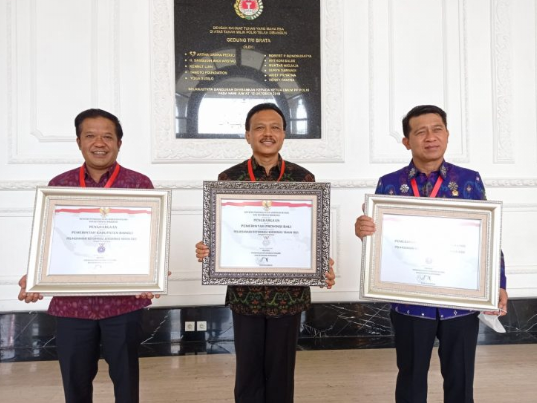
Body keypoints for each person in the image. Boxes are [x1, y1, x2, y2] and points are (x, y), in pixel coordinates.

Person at [355, 105, 508, 403]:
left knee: (461, 379)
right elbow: (382, 240)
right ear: (406, 141)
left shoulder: (469, 180)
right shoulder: (389, 184)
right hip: (410, 303)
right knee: (411, 378)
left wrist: (498, 282)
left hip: (460, 302)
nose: (430, 137)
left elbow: (489, 236)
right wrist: (364, 230)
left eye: (437, 129)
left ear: (447, 135)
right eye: (420, 132)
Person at [195, 103, 336, 403]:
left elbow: (308, 234)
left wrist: (320, 259)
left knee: (281, 374)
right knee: (247, 373)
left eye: (275, 127)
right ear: (247, 135)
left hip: (289, 294)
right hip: (245, 294)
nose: (267, 133)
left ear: (284, 134)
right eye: (259, 127)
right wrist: (209, 248)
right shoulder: (229, 179)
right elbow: (225, 232)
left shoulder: (303, 179)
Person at [18, 108, 158, 403]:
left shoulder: (139, 184)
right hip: (73, 305)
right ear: (79, 141)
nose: (99, 143)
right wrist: (35, 273)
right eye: (90, 135)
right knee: (75, 384)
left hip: (124, 304)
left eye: (108, 136)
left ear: (119, 143)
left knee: (126, 382)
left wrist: (154, 270)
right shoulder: (59, 185)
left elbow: (149, 238)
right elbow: (50, 240)